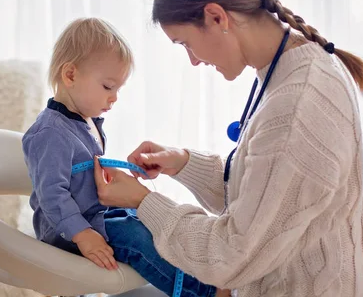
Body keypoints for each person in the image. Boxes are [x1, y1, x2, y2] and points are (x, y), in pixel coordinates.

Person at [93, 0, 363, 297]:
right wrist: (183, 163)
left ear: (216, 17)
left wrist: (143, 202)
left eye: (186, 43)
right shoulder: (290, 68)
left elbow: (229, 256)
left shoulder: (297, 103)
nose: (193, 61)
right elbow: (267, 195)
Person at [22, 18, 218, 297]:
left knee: (149, 220)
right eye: (107, 87)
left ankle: (207, 273)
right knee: (136, 238)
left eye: (118, 90)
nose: (114, 98)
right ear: (70, 75)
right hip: (67, 230)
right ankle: (202, 293)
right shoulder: (50, 133)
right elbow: (51, 196)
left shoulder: (82, 121)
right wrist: (83, 235)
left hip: (94, 214)